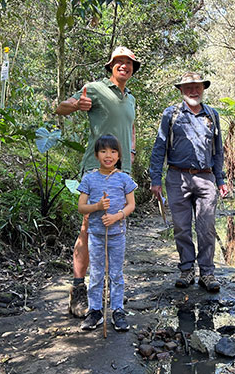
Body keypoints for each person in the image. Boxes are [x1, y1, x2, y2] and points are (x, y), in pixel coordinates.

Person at [56, 46, 140, 318]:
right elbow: (62, 108)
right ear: (111, 66)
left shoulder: (131, 99)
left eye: (128, 63)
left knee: (115, 227)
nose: (124, 66)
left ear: (132, 69)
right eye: (119, 62)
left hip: (121, 172)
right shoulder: (94, 89)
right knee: (88, 228)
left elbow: (131, 128)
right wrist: (75, 105)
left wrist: (132, 154)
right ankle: (79, 290)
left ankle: (107, 292)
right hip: (96, 171)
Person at [149, 73, 229, 293]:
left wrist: (220, 179)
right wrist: (155, 178)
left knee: (206, 227)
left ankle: (207, 273)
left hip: (206, 178)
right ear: (181, 91)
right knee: (182, 228)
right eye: (188, 88)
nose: (193, 91)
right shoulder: (171, 114)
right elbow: (159, 147)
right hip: (177, 178)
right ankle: (186, 269)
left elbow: (218, 149)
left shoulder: (212, 115)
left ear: (203, 89)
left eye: (197, 87)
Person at [77, 134, 137, 331]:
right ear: (96, 155)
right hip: (95, 233)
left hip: (117, 234)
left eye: (112, 151)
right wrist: (97, 206)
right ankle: (95, 311)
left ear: (119, 155)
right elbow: (81, 207)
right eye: (103, 151)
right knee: (95, 273)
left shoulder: (124, 178)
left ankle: (117, 310)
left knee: (116, 274)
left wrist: (116, 216)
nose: (108, 155)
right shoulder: (89, 179)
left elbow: (131, 205)